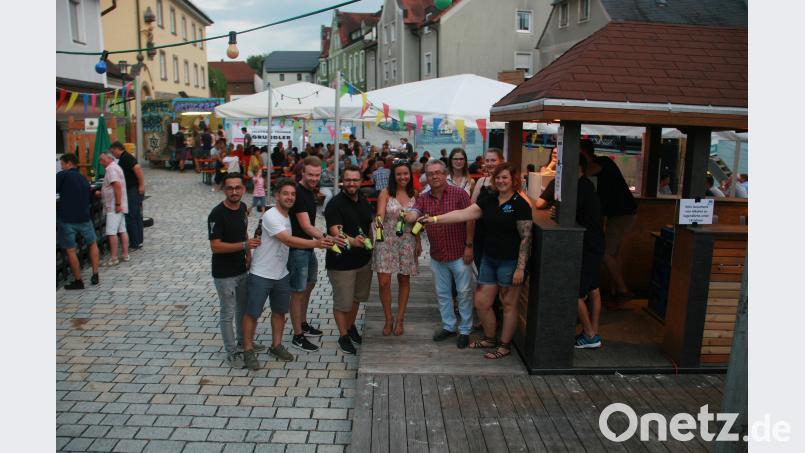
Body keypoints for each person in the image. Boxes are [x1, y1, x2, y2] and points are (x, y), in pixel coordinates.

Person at [419, 162, 532, 359]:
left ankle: (504, 346)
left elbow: (526, 239)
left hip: (511, 261)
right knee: (481, 302)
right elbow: (464, 214)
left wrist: (520, 268)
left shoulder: (520, 204)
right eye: (498, 177)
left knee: (508, 304)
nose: (501, 181)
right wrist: (435, 219)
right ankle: (490, 338)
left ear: (513, 180)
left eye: (505, 177)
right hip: (489, 258)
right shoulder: (490, 198)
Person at [242, 179, 335, 369]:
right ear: (276, 195)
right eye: (285, 193)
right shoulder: (271, 215)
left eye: (293, 194)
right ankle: (248, 350)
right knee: (253, 313)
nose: (290, 197)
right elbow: (288, 240)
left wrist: (323, 237)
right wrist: (316, 243)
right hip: (261, 273)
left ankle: (276, 345)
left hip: (281, 273)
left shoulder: (287, 216)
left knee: (279, 312)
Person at [405, 159, 474, 348]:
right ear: (426, 177)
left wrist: (469, 245)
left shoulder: (459, 193)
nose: (434, 176)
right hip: (437, 254)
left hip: (459, 251)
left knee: (464, 293)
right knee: (443, 293)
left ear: (445, 175)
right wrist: (408, 215)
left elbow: (470, 218)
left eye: (438, 172)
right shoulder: (424, 197)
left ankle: (466, 329)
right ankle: (449, 325)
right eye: (430, 173)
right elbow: (414, 212)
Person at [537, 158, 605, 348]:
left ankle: (590, 335)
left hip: (587, 245)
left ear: (578, 169)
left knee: (574, 292)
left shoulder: (578, 188)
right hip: (596, 242)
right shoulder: (587, 185)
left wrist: (556, 211)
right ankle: (593, 332)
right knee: (594, 290)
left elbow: (564, 213)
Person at [207, 173, 262, 369]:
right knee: (227, 313)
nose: (234, 191)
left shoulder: (243, 208)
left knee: (243, 310)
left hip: (241, 269)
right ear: (224, 190)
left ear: (244, 189)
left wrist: (248, 253)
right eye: (230, 188)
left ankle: (243, 341)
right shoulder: (217, 214)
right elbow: (216, 246)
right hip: (224, 274)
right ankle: (231, 352)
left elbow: (243, 230)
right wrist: (244, 245)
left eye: (237, 187)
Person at [579, 139, 637, 303]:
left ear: (583, 153)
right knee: (613, 254)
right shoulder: (601, 163)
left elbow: (583, 173)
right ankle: (615, 291)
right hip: (619, 214)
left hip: (623, 214)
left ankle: (622, 290)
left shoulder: (601, 162)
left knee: (605, 253)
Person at [325, 165, 374, 354]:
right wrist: (355, 241)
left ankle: (351, 326)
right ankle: (343, 336)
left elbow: (370, 224)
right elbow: (335, 231)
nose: (352, 183)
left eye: (355, 180)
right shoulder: (334, 204)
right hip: (341, 263)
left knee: (356, 299)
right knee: (343, 303)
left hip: (363, 261)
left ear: (361, 181)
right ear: (342, 181)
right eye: (348, 180)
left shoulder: (363, 200)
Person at [373, 161, 420, 336]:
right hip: (386, 238)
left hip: (407, 240)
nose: (402, 177)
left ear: (410, 175)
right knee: (383, 282)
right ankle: (388, 318)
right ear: (393, 176)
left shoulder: (415, 194)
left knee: (404, 279)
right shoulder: (386, 193)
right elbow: (379, 215)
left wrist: (419, 242)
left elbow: (419, 220)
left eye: (405, 174)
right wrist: (378, 233)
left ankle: (400, 319)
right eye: (399, 174)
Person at [288, 156, 328, 352]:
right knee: (297, 292)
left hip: (308, 247)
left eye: (317, 175)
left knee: (309, 286)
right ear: (302, 172)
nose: (314, 178)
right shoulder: (298, 193)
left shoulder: (309, 191)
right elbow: (305, 226)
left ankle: (303, 323)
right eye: (310, 174)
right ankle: (297, 335)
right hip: (297, 249)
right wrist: (325, 238)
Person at [57, 154, 100, 289]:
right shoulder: (83, 178)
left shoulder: (62, 175)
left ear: (69, 164)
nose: (61, 166)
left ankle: (78, 280)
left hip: (67, 219)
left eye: (62, 164)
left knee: (71, 250)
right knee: (92, 243)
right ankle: (95, 274)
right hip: (84, 217)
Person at [109, 142, 145, 250]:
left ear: (116, 149)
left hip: (132, 190)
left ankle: (135, 242)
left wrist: (142, 185)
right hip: (132, 189)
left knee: (131, 216)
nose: (113, 154)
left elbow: (137, 169)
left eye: (112, 152)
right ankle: (138, 241)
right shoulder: (125, 157)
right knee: (136, 216)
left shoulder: (126, 157)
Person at [98, 152, 130, 266]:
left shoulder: (111, 169)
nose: (100, 162)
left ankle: (114, 257)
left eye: (102, 159)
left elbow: (117, 185)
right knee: (122, 230)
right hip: (120, 204)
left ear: (108, 158)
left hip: (113, 205)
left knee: (111, 232)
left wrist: (117, 203)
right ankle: (125, 254)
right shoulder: (116, 167)